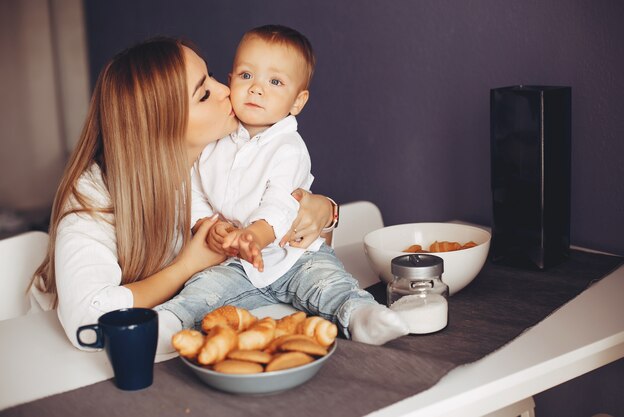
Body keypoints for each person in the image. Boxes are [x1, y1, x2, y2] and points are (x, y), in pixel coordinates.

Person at [30, 37, 335, 351]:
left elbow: (294, 258)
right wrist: (187, 267)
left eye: (213, 76)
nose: (226, 90)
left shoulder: (221, 163)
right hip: (58, 357)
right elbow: (89, 323)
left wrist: (326, 212)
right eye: (204, 93)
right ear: (161, 125)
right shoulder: (93, 198)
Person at [156, 25, 409, 346]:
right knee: (203, 290)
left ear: (297, 101)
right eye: (246, 76)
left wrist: (255, 235)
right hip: (236, 264)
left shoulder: (288, 147)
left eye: (275, 82)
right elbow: (196, 192)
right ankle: (168, 323)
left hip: (295, 257)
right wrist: (208, 225)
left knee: (328, 284)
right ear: (230, 79)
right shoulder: (213, 142)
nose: (257, 89)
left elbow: (281, 203)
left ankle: (362, 317)